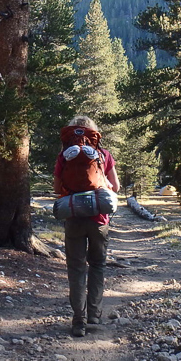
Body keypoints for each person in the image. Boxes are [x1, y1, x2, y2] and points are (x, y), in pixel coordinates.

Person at [53, 115, 120, 337]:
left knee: (76, 268)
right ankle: (94, 314)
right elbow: (116, 187)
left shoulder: (64, 155)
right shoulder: (104, 155)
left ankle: (78, 320)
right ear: (95, 133)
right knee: (98, 265)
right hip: (99, 219)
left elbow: (56, 188)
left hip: (73, 217)